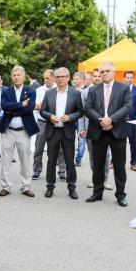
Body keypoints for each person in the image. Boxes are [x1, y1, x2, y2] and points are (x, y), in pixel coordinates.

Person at [85, 61, 132, 207]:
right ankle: (97, 193)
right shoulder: (93, 89)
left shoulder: (123, 88)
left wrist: (111, 119)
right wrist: (101, 121)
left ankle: (120, 195)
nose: (104, 73)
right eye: (102, 71)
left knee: (119, 165)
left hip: (117, 131)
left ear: (113, 72)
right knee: (98, 165)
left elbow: (127, 106)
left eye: (107, 71)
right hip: (98, 130)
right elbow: (88, 108)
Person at [39, 67, 84, 199]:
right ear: (55, 78)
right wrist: (50, 116)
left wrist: (70, 117)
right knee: (51, 161)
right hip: (53, 131)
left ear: (68, 78)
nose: (60, 79)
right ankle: (50, 187)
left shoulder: (75, 93)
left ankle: (71, 188)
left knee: (70, 161)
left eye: (63, 76)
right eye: (57, 77)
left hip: (68, 131)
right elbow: (42, 110)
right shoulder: (49, 93)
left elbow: (80, 111)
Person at [0, 66, 39, 197]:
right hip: (8, 130)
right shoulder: (6, 91)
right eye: (14, 75)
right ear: (11, 77)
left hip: (23, 131)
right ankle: (6, 186)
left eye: (18, 75)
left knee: (25, 160)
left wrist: (12, 109)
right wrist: (21, 104)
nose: (16, 77)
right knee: (6, 160)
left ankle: (26, 186)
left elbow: (29, 109)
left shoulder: (30, 91)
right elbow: (4, 106)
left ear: (23, 76)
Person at [33, 69, 67, 181]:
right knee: (38, 148)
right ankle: (37, 170)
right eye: (44, 78)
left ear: (54, 78)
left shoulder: (59, 89)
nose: (45, 80)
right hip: (42, 123)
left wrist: (43, 106)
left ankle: (62, 170)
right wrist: (46, 107)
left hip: (56, 123)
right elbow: (36, 106)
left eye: (47, 78)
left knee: (60, 149)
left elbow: (41, 106)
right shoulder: (39, 90)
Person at [84, 69, 112, 190]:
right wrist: (81, 129)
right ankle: (95, 178)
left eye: (98, 76)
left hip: (106, 128)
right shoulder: (85, 92)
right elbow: (83, 113)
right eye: (94, 76)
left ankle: (104, 179)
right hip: (90, 128)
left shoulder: (109, 91)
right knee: (92, 155)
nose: (96, 78)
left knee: (105, 154)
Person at [72, 72, 87, 167]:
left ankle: (78, 159)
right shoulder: (71, 90)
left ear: (82, 79)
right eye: (74, 79)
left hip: (82, 118)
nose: (74, 81)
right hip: (72, 118)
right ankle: (68, 158)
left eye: (76, 79)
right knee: (70, 140)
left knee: (82, 140)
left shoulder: (87, 90)